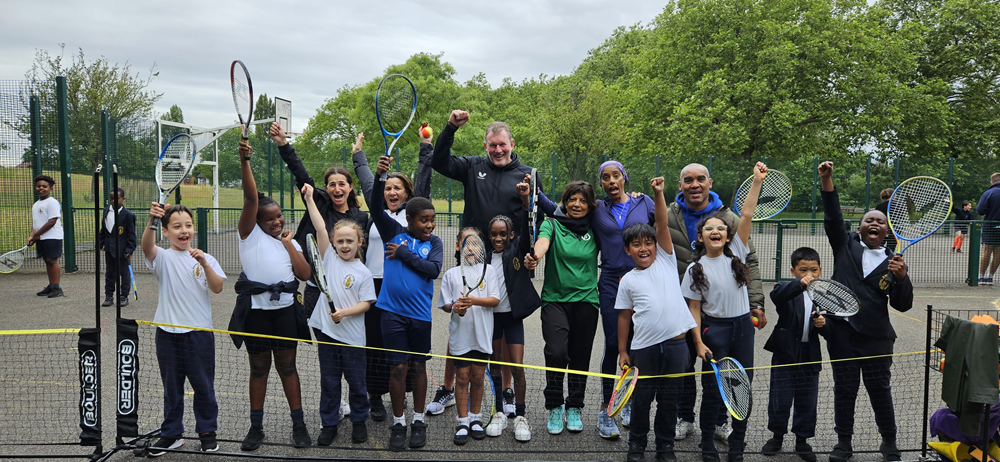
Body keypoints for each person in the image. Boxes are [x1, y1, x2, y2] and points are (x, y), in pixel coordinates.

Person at [535, 162, 656, 438]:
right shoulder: (573, 217)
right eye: (605, 177)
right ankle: (566, 407)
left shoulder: (633, 205)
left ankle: (596, 405)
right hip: (580, 293)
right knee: (566, 351)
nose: (577, 205)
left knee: (620, 349)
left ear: (624, 178)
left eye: (616, 175)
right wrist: (536, 253)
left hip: (615, 291)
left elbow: (657, 229)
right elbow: (547, 220)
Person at [818, 160, 914, 462]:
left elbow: (902, 304)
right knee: (844, 390)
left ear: (887, 230)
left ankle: (889, 442)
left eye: (881, 221)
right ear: (859, 228)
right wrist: (827, 180)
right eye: (869, 220)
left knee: (879, 391)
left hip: (876, 336)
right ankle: (843, 444)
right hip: (842, 333)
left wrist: (902, 279)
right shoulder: (845, 245)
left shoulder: (893, 261)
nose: (874, 223)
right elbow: (833, 217)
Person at [667, 163, 765, 443]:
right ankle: (684, 418)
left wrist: (757, 181)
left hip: (723, 321)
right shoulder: (671, 215)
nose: (694, 184)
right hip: (683, 308)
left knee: (729, 375)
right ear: (680, 185)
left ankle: (723, 422)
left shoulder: (733, 233)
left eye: (700, 179)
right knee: (685, 367)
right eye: (688, 180)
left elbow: (747, 215)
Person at [234, 141, 313, 450]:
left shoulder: (286, 240)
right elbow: (251, 196)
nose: (277, 220)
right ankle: (256, 427)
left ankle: (299, 424)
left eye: (279, 216)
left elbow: (305, 275)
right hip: (255, 312)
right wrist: (245, 161)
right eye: (269, 218)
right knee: (258, 368)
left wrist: (288, 243)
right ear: (255, 220)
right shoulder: (248, 235)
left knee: (288, 367)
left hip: (284, 312)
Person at [617, 176, 701, 462]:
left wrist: (659, 193)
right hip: (644, 350)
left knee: (669, 401)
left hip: (677, 347)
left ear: (656, 245)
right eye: (636, 245)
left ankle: (665, 446)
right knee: (641, 401)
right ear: (628, 250)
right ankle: (636, 446)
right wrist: (623, 351)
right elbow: (624, 318)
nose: (643, 248)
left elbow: (662, 223)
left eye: (647, 243)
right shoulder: (627, 280)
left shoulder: (666, 259)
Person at [352, 130, 433, 421]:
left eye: (398, 188)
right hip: (373, 286)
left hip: (402, 286)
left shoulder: (412, 218)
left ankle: (405, 401)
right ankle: (375, 397)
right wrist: (359, 155)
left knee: (404, 353)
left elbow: (424, 178)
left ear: (408, 194)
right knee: (374, 345)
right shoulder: (378, 215)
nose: (392, 192)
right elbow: (366, 181)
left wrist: (426, 147)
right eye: (388, 188)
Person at [141, 202, 226, 455]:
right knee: (172, 388)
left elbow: (218, 287)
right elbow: (146, 246)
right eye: (176, 226)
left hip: (199, 335)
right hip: (166, 334)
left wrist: (205, 263)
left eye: (188, 225)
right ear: (165, 231)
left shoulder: (205, 258)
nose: (184, 230)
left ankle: (207, 432)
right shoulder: (163, 257)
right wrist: (151, 221)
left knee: (203, 386)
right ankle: (171, 435)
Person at [369, 170, 443, 451]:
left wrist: (403, 254)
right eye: (424, 220)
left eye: (432, 220)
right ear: (409, 219)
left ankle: (419, 419)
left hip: (420, 317)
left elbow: (432, 270)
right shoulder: (392, 231)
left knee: (418, 367)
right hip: (391, 313)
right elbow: (375, 207)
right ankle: (398, 422)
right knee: (398, 367)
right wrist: (378, 178)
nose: (430, 225)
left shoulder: (433, 243)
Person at [302, 183, 376, 446]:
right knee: (330, 382)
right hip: (328, 333)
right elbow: (320, 226)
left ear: (360, 242)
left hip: (353, 337)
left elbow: (367, 303)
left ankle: (359, 422)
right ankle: (329, 424)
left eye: (350, 241)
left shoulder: (363, 273)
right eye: (340, 241)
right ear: (333, 242)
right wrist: (310, 199)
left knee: (357, 383)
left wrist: (345, 312)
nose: (344, 245)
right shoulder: (329, 258)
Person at [524, 181, 600, 436]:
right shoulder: (552, 223)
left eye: (582, 200)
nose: (577, 204)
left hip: (587, 302)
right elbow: (543, 242)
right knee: (556, 353)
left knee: (580, 358)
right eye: (572, 199)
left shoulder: (595, 227)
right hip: (555, 300)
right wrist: (535, 256)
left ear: (590, 205)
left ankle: (575, 407)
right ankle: (555, 405)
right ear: (564, 202)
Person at [271, 122, 369, 312]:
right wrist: (283, 144)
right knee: (321, 336)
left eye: (342, 184)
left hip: (347, 288)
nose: (337, 189)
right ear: (326, 188)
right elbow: (301, 175)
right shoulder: (319, 204)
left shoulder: (361, 218)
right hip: (317, 289)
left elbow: (361, 256)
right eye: (332, 184)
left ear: (350, 187)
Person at [483, 194, 542, 441]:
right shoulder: (483, 258)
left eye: (502, 234)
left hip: (512, 318)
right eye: (494, 234)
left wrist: (526, 201)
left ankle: (520, 416)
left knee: (517, 367)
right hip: (492, 319)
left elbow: (527, 231)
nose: (498, 238)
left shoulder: (518, 250)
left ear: (510, 235)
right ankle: (498, 413)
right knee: (495, 365)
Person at [760, 247, 827, 462]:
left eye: (814, 270)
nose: (809, 274)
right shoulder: (785, 288)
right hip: (785, 352)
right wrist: (800, 284)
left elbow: (832, 327)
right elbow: (777, 295)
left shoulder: (824, 293)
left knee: (807, 399)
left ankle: (802, 439)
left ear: (820, 270)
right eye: (802, 270)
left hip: (810, 352)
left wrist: (824, 324)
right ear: (793, 271)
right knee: (780, 397)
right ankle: (776, 436)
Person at [438, 227, 501, 445]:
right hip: (460, 338)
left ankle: (476, 419)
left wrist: (473, 301)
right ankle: (463, 421)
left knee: (477, 378)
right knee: (462, 378)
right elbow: (445, 304)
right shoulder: (450, 274)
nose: (471, 248)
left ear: (482, 249)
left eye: (475, 244)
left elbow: (495, 300)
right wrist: (455, 307)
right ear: (458, 247)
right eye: (466, 243)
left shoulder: (489, 271)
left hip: (482, 337)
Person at [431, 109, 537, 235]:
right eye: (493, 145)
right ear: (485, 146)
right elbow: (439, 163)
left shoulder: (529, 175)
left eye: (502, 144)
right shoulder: (472, 167)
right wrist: (451, 128)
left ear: (512, 144)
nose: (498, 150)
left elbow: (537, 218)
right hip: (474, 249)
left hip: (512, 252)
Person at [99, 187, 137, 307]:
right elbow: (104, 230)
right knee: (109, 273)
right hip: (109, 249)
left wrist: (130, 249)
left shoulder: (128, 215)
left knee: (124, 274)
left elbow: (131, 234)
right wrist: (100, 243)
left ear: (123, 199)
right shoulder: (106, 211)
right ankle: (109, 296)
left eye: (117, 198)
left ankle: (124, 296)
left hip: (122, 249)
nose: (114, 201)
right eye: (111, 198)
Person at [29, 175, 64, 298]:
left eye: (44, 186)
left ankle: (57, 287)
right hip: (41, 237)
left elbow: (52, 221)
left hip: (52, 236)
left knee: (52, 260)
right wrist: (31, 236)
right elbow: (36, 223)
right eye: (39, 186)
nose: (41, 188)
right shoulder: (36, 204)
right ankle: (51, 285)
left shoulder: (52, 202)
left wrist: (37, 235)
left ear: (51, 188)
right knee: (46, 260)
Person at [978, 173, 1000, 283]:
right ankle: (990, 276)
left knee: (987, 250)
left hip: (990, 225)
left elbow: (980, 210)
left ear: (992, 182)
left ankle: (981, 276)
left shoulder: (989, 193)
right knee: (998, 252)